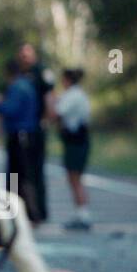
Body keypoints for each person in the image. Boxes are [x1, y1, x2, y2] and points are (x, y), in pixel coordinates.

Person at [0, 58, 43, 224]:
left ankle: (27, 213)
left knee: (18, 175)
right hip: (26, 134)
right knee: (19, 175)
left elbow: (11, 109)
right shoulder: (27, 85)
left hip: (19, 135)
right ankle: (20, 211)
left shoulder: (17, 87)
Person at [19, 43, 55, 222]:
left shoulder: (41, 72)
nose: (24, 57)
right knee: (22, 172)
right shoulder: (19, 73)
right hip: (22, 129)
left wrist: (46, 121)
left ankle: (39, 211)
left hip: (36, 128)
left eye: (27, 54)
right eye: (22, 54)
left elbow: (49, 97)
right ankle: (25, 210)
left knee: (36, 172)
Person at [56, 68, 92, 231]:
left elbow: (57, 113)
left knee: (75, 178)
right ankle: (81, 213)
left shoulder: (72, 95)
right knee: (74, 179)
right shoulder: (78, 94)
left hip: (76, 140)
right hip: (77, 140)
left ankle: (83, 215)